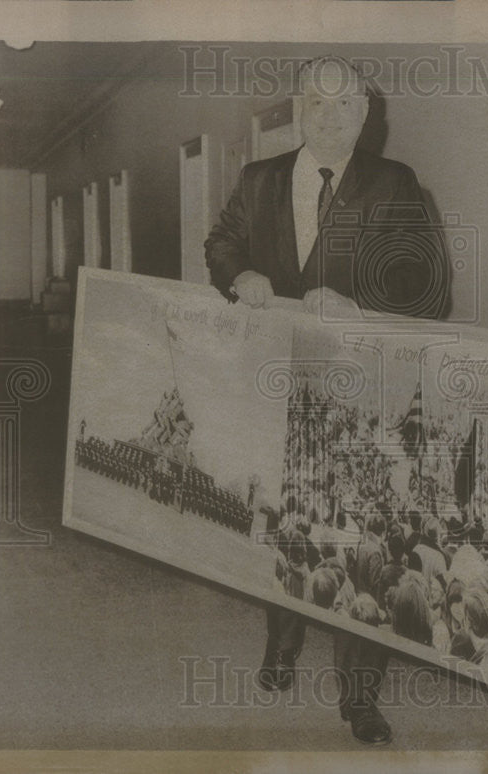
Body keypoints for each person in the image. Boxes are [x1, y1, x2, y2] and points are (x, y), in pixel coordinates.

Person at [204, 54, 448, 745]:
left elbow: (429, 286)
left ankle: (360, 695)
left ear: (365, 113)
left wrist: (358, 305)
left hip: (362, 396)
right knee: (283, 523)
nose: (331, 115)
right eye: (317, 102)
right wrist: (241, 270)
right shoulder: (259, 180)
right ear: (297, 108)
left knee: (361, 542)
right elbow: (219, 244)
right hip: (274, 386)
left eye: (346, 104)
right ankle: (281, 645)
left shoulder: (394, 184)